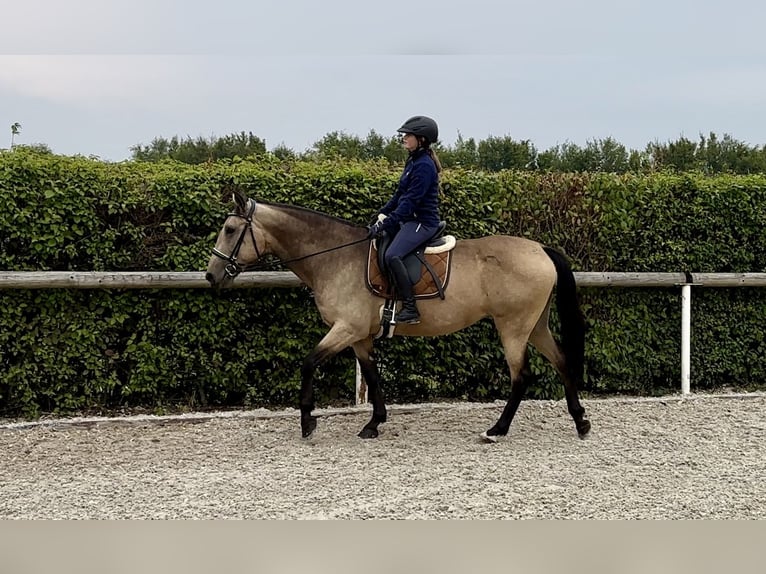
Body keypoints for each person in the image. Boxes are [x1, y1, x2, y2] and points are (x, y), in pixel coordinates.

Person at [367, 115, 443, 324]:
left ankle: (411, 309)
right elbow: (399, 196)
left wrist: (387, 223)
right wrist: (380, 215)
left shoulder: (424, 166)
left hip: (422, 223)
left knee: (393, 255)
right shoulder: (413, 161)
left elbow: (410, 203)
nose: (404, 138)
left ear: (422, 139)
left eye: (408, 135)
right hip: (409, 220)